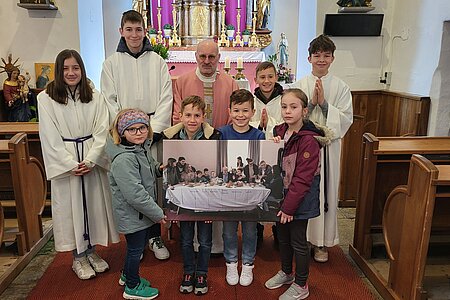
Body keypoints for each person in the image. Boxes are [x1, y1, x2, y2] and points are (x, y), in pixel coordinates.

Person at [38, 49, 119, 281]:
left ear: (82, 69)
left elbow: (103, 129)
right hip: (68, 162)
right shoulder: (46, 99)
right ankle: (78, 257)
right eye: (65, 68)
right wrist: (68, 163)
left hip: (90, 160)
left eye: (76, 68)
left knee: (92, 207)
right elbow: (49, 135)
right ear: (58, 70)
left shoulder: (94, 96)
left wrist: (92, 159)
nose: (71, 73)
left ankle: (91, 252)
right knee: (72, 210)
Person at [101, 10, 173, 260]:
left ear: (145, 31)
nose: (134, 34)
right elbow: (109, 99)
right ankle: (136, 240)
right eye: (129, 29)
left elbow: (167, 97)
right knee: (132, 186)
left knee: (152, 183)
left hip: (149, 132)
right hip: (127, 134)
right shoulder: (112, 63)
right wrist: (126, 129)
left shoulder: (157, 61)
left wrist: (151, 129)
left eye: (138, 29)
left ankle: (154, 236)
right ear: (121, 31)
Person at [265, 88, 331, 300]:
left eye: (294, 107)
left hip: (299, 200)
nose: (287, 111)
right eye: (284, 107)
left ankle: (302, 285)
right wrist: (273, 145)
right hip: (283, 197)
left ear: (304, 111)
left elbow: (303, 178)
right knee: (282, 238)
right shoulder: (279, 131)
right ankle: (286, 272)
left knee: (298, 242)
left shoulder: (309, 140)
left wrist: (289, 207)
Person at [292, 34, 353, 263]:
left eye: (326, 55)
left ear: (332, 58)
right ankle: (305, 239)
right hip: (304, 149)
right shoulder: (300, 85)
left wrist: (325, 106)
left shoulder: (341, 87)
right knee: (306, 192)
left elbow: (346, 119)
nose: (321, 59)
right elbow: (291, 113)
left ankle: (322, 244)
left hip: (328, 150)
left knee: (325, 191)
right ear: (309, 58)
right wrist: (309, 104)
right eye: (317, 55)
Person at [162, 95, 221, 295]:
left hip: (204, 200)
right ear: (180, 115)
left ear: (204, 116)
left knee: (205, 240)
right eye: (188, 115)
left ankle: (202, 272)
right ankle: (188, 271)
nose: (192, 119)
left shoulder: (214, 137)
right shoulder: (170, 138)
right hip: (184, 199)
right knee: (186, 239)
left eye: (197, 115)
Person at [106, 108, 166, 299]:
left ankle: (126, 275)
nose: (139, 132)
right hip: (134, 214)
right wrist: (157, 213)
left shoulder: (139, 148)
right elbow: (135, 195)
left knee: (136, 248)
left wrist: (159, 169)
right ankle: (131, 286)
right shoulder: (124, 159)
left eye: (142, 128)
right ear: (122, 132)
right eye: (132, 129)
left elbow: (148, 167)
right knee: (135, 250)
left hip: (140, 214)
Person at [218, 89, 265, 287]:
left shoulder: (259, 135)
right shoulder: (221, 133)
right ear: (229, 111)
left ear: (253, 112)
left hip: (249, 193)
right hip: (229, 192)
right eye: (236, 111)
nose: (240, 115)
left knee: (250, 230)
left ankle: (247, 264)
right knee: (228, 230)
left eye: (245, 111)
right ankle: (230, 263)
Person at [172, 39, 239, 128]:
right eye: (202, 56)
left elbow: (235, 117)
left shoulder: (231, 84)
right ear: (196, 56)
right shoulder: (182, 82)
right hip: (190, 140)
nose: (207, 61)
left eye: (211, 57)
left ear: (218, 57)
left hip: (222, 138)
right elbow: (178, 117)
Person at [250, 61, 284, 139]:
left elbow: (287, 125)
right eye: (262, 77)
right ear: (256, 80)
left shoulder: (284, 101)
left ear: (276, 78)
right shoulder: (252, 102)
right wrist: (260, 124)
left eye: (270, 77)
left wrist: (269, 122)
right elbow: (245, 125)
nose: (267, 81)